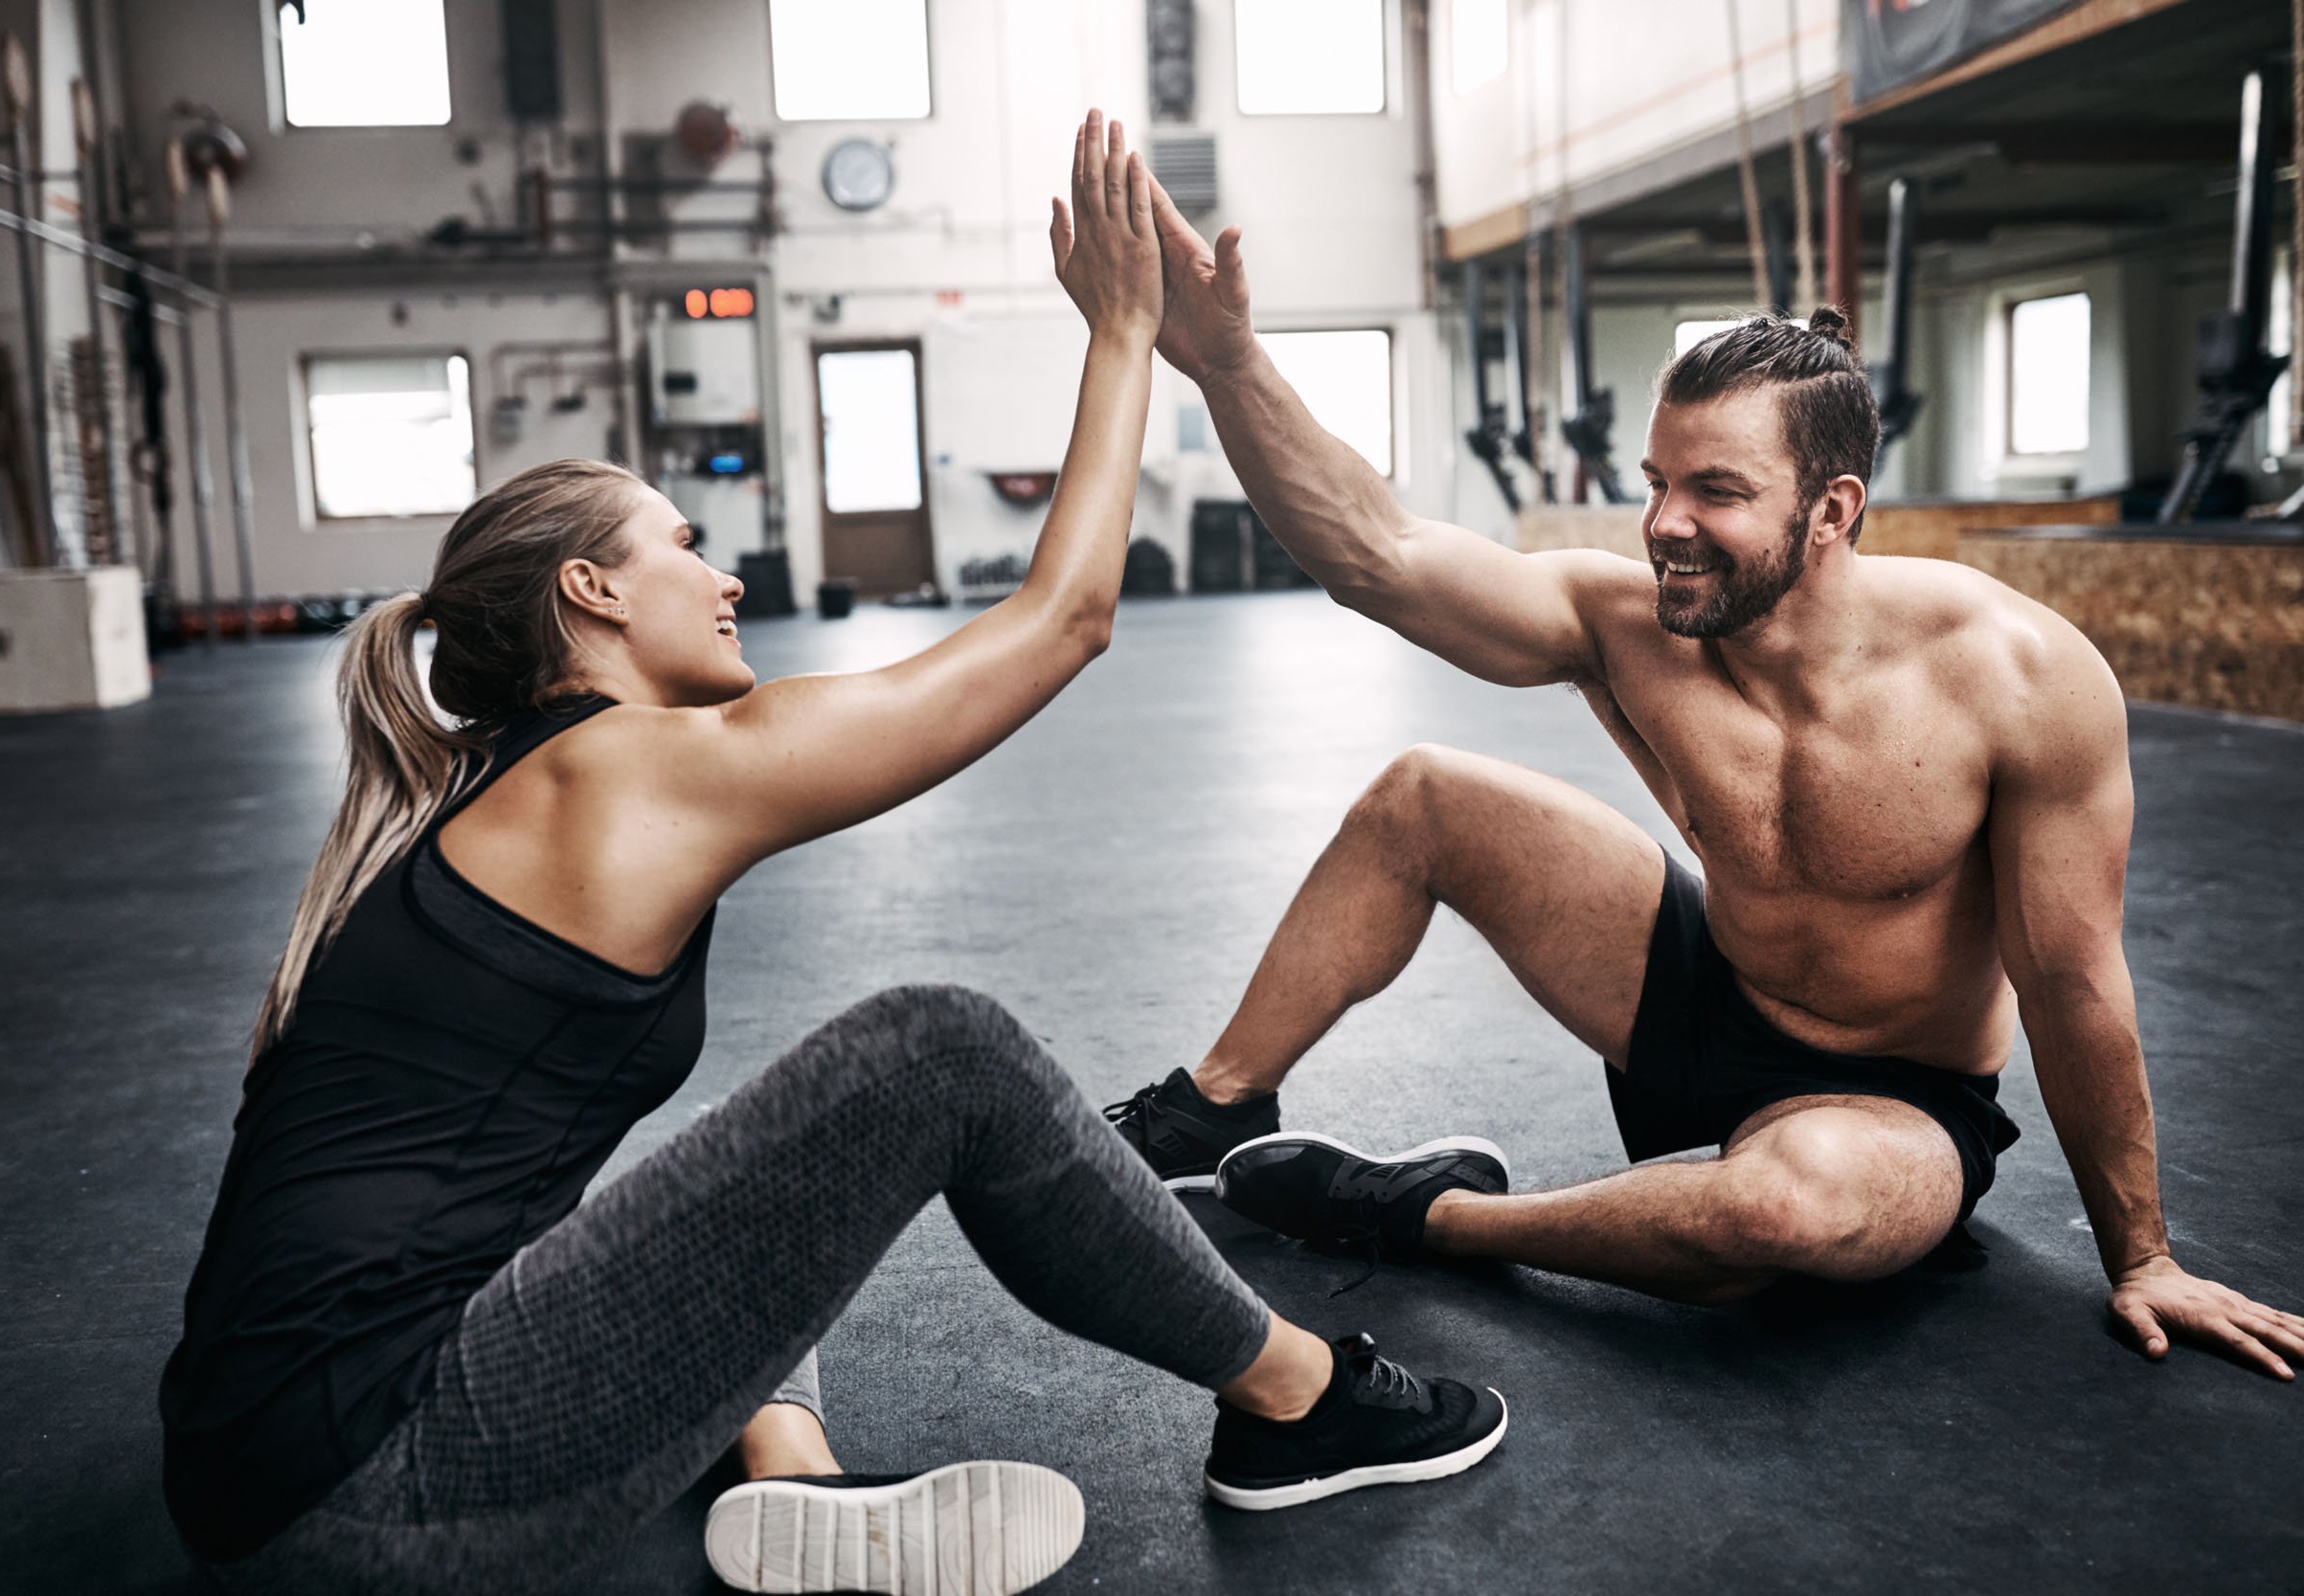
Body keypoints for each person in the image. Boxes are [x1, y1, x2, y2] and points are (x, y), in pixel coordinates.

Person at [158, 116, 1506, 1596]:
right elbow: (1059, 622)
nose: (725, 569)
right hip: (372, 1486)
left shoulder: (493, 793)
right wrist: (1128, 336)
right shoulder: (619, 772)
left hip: (270, 1466)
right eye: (681, 542)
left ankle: (795, 1478)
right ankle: (1301, 1402)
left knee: (756, 1141)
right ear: (592, 588)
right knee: (941, 1051)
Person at [1103, 178, 2303, 1381]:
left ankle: (1423, 1211)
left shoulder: (2018, 679)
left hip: (1893, 1094)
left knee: (1781, 1214)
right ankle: (1217, 1101)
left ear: (1831, 510)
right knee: (1424, 792)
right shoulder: (1627, 621)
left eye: (1716, 492)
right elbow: (1380, 554)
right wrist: (1224, 366)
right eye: (1655, 482)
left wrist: (2141, 1256)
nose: (1664, 523)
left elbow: (2073, 977)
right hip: (1698, 987)